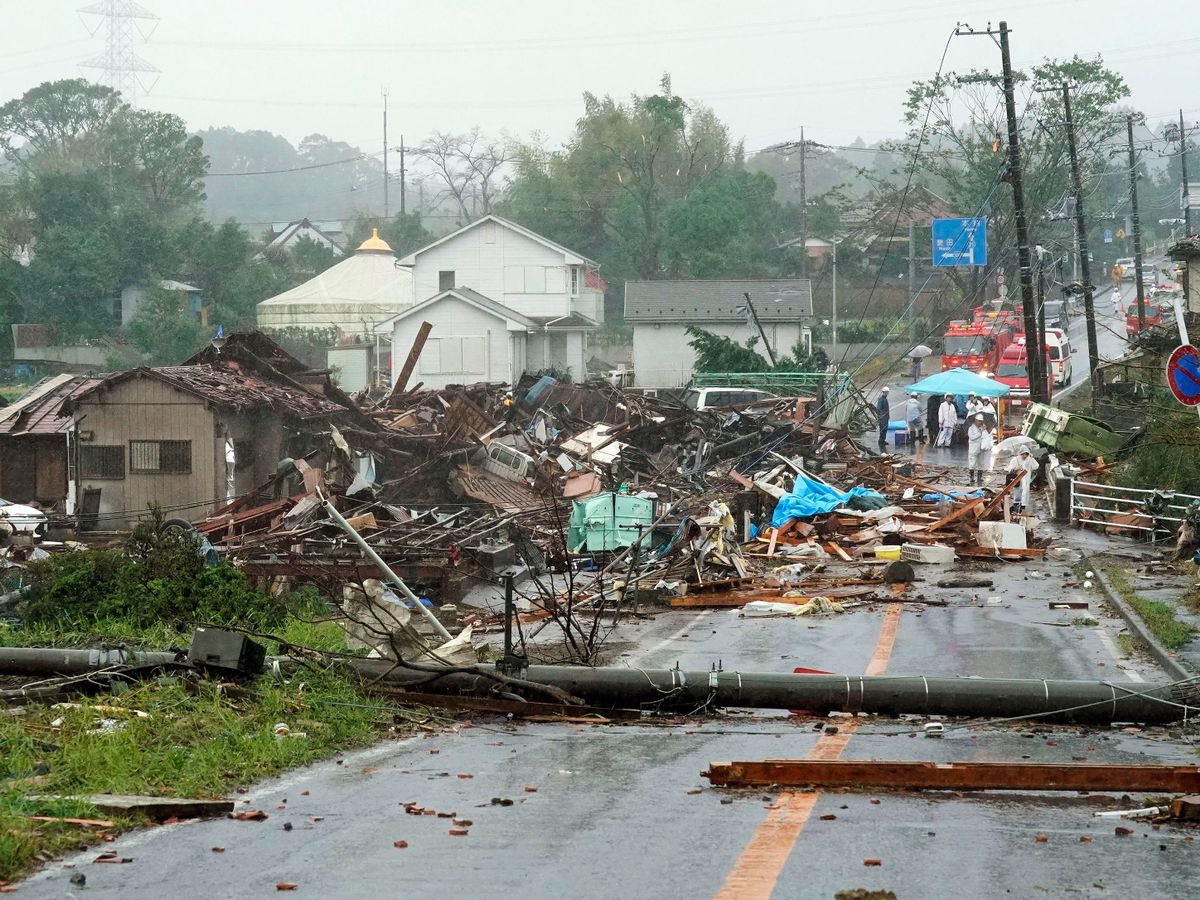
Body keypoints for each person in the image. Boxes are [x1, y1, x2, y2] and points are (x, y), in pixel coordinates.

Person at [1007, 446, 1039, 512]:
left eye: (1026, 454)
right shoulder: (1015, 459)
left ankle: (1023, 506)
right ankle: (1016, 505)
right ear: (1020, 453)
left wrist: (1032, 458)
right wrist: (1016, 468)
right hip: (1018, 478)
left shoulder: (1029, 459)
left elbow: (1036, 466)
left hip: (1026, 479)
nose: (1024, 456)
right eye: (1023, 454)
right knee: (1017, 491)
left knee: (1025, 492)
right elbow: (1009, 469)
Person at [967, 414, 994, 485]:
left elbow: (986, 438)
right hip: (973, 449)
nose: (980, 423)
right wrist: (980, 432)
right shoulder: (971, 428)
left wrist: (985, 431)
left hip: (980, 449)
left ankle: (979, 477)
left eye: (981, 421)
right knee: (972, 463)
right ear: (975, 420)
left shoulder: (982, 428)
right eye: (979, 421)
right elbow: (972, 437)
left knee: (980, 464)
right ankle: (972, 477)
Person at [876, 386, 891, 450]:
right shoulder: (881, 399)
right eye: (886, 392)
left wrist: (888, 415)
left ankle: (883, 440)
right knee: (882, 429)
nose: (887, 393)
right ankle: (880, 441)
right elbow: (878, 409)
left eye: (888, 392)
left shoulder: (885, 399)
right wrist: (881, 415)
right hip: (882, 417)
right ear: (884, 392)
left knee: (885, 429)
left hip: (886, 417)